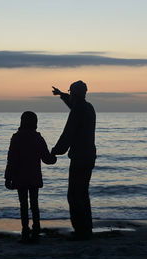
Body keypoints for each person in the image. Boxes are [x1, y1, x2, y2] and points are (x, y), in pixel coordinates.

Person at [51, 80, 96, 240]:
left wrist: (55, 152)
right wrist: (62, 95)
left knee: (74, 195)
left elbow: (67, 134)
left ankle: (80, 230)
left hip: (80, 157)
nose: (70, 95)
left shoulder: (78, 110)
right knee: (83, 193)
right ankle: (86, 228)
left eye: (70, 93)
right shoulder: (88, 107)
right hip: (89, 156)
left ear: (75, 94)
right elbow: (73, 105)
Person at [4, 111, 57, 243]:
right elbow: (46, 158)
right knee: (34, 203)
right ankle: (36, 228)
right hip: (34, 176)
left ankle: (25, 230)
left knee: (23, 204)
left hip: (19, 176)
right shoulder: (37, 138)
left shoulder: (16, 138)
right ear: (35, 122)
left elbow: (11, 159)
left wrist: (7, 177)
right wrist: (54, 157)